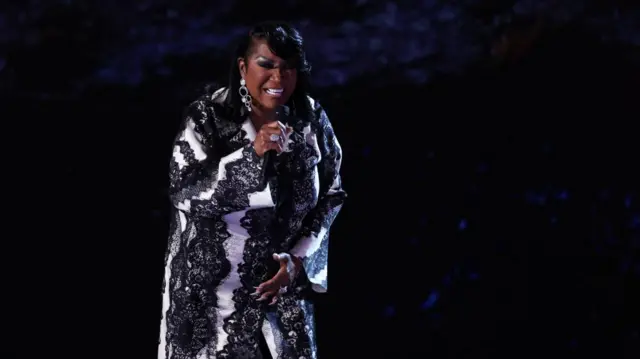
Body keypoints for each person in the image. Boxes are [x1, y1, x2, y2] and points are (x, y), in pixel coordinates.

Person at [158, 21, 346, 359]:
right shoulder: (207, 118)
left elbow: (332, 193)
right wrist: (251, 155)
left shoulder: (310, 117)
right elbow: (185, 193)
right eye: (267, 65)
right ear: (244, 67)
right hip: (211, 296)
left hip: (284, 289)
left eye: (288, 68)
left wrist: (298, 258)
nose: (278, 78)